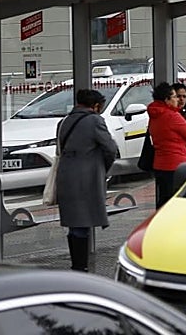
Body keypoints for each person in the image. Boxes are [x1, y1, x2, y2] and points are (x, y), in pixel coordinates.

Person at [55, 88, 117, 272]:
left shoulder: (64, 121)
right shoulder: (95, 121)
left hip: (66, 176)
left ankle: (77, 264)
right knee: (83, 221)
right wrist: (102, 168)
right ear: (96, 106)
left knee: (75, 223)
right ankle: (80, 267)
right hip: (86, 178)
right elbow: (110, 148)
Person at [147, 82, 186, 208]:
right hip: (176, 164)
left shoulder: (155, 115)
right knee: (176, 201)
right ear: (167, 100)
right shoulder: (172, 116)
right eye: (174, 97)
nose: (177, 100)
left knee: (164, 198)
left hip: (161, 164)